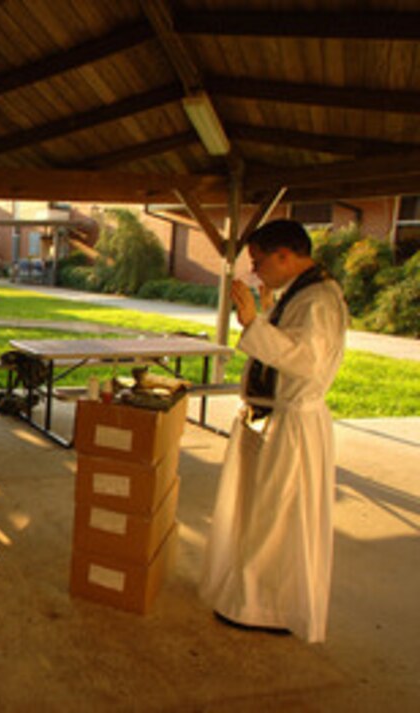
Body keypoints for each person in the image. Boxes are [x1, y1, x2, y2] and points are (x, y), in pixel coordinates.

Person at [200, 219, 348, 643]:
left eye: (259, 261)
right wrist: (265, 316)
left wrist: (252, 323)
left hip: (293, 424)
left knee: (277, 517)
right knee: (263, 511)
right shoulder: (303, 292)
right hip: (276, 418)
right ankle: (252, 598)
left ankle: (267, 606)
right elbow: (290, 345)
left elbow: (307, 360)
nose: (256, 270)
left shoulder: (318, 299)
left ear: (285, 255)